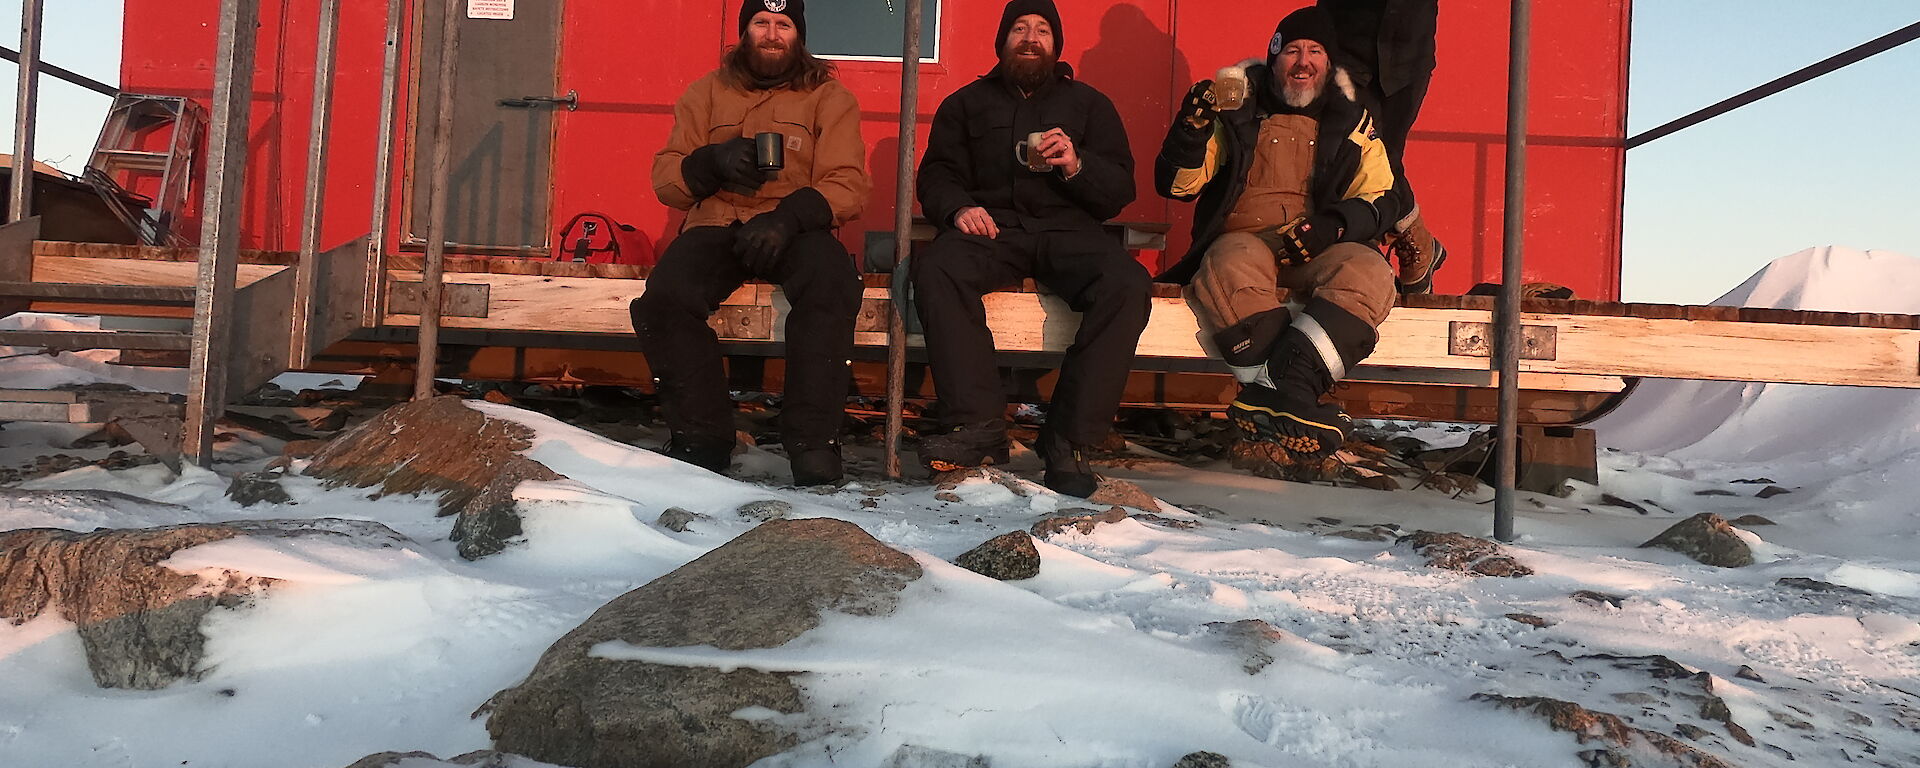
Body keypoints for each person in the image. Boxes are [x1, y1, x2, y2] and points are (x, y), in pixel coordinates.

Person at [912, 0, 1146, 497]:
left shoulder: (1089, 104)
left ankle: (1069, 440)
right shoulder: (965, 103)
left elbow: (1120, 191)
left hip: (1070, 233)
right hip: (994, 229)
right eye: (1020, 28)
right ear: (1001, 42)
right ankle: (977, 426)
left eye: (1042, 30)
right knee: (937, 267)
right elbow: (936, 175)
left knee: (1127, 285)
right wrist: (957, 210)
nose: (1031, 37)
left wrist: (1076, 165)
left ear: (1056, 44)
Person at [1153, 6, 1403, 462]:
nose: (1303, 62)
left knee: (1370, 271)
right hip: (1245, 240)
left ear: (1330, 64)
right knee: (1229, 262)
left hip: (1318, 246)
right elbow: (1179, 185)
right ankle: (1297, 400)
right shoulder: (1233, 111)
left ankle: (1271, 396)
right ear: (1273, 59)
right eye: (1291, 50)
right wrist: (1190, 131)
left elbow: (1384, 197)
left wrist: (1334, 225)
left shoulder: (1354, 121)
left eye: (1314, 51)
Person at [635, 0, 869, 486]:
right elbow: (664, 179)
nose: (771, 34)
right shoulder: (705, 93)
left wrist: (789, 216)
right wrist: (709, 163)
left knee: (833, 282)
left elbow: (848, 183)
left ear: (798, 36)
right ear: (744, 32)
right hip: (717, 222)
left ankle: (812, 443)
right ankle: (702, 438)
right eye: (761, 23)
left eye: (783, 25)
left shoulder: (830, 97)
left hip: (795, 228)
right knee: (663, 300)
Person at [1319, 0, 1445, 294]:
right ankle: (1411, 240)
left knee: (1387, 155)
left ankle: (1403, 247)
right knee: (1351, 154)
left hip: (1408, 54)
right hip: (1346, 49)